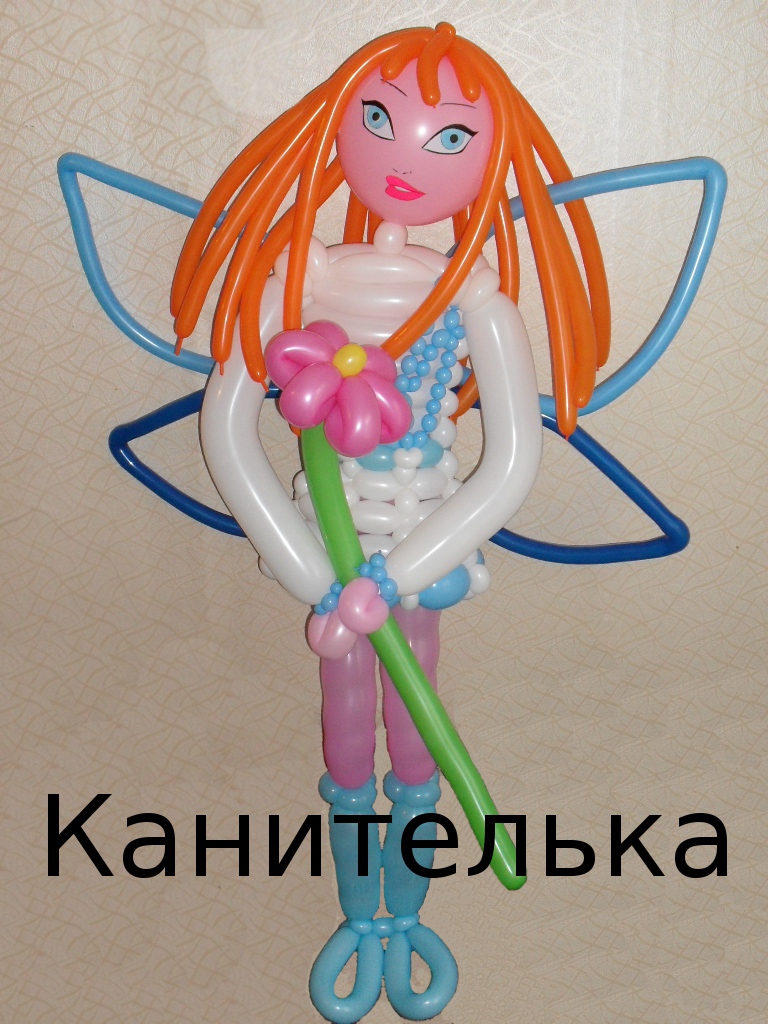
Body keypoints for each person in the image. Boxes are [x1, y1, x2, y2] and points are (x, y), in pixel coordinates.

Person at [172, 22, 610, 1024]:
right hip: (328, 559)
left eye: (450, 138)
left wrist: (391, 575)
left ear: (491, 159)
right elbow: (227, 430)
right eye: (379, 119)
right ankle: (361, 914)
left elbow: (511, 464)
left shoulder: (480, 302)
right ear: (339, 125)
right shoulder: (296, 278)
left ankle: (400, 914)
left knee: (414, 738)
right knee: (345, 740)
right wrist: (306, 570)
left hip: (416, 553)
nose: (406, 156)